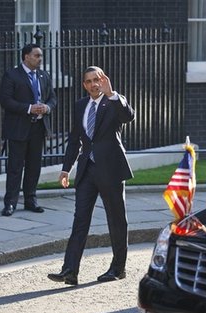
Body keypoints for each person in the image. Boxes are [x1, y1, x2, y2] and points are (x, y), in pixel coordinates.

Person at [48, 66, 135, 285]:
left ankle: (118, 268)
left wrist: (111, 94)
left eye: (97, 79)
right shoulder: (80, 105)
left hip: (111, 170)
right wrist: (66, 169)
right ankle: (70, 270)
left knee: (116, 220)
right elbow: (75, 139)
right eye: (89, 81)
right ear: (84, 85)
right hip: (87, 171)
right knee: (80, 221)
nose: (94, 84)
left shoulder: (114, 101)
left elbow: (128, 117)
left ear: (103, 80)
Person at [0, 43, 56, 216]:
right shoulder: (12, 75)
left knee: (34, 167)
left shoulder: (43, 75)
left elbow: (53, 98)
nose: (40, 58)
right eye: (37, 55)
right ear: (26, 57)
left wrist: (47, 107)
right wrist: (29, 108)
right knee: (15, 167)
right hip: (18, 129)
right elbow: (5, 101)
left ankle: (30, 200)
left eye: (41, 56)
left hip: (38, 128)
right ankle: (10, 203)